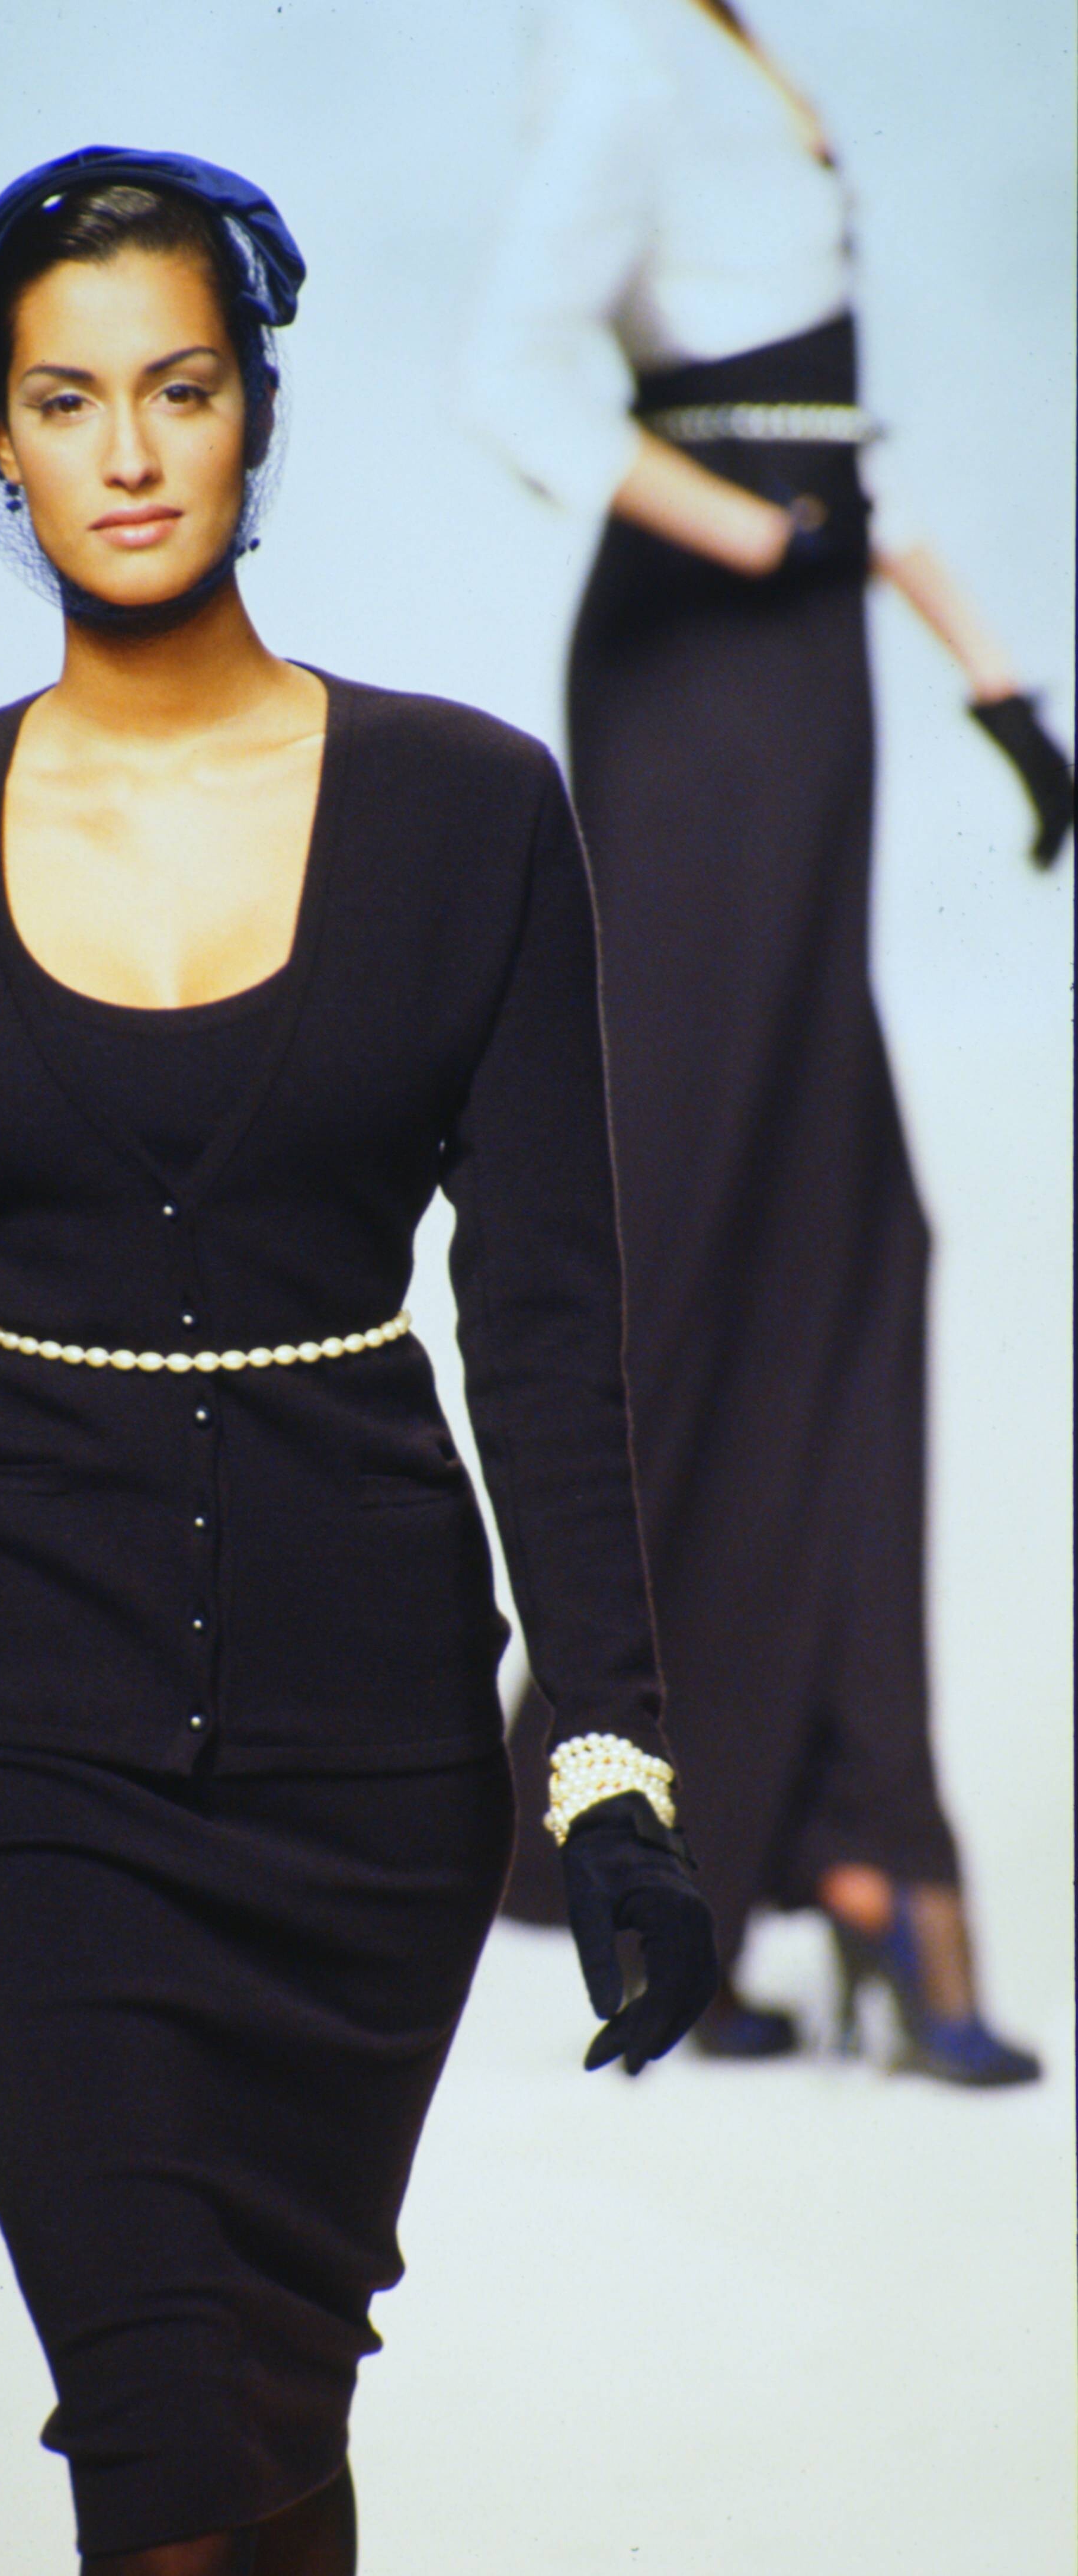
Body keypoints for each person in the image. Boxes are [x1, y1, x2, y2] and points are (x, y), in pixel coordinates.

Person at [0, 150, 718, 2576]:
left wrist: (609, 1767)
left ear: (257, 408)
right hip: (14, 1737)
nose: (131, 454)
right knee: (167, 2423)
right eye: (67, 402)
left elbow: (547, 1315)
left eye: (178, 388)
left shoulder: (472, 813)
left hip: (369, 1762)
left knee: (265, 2401)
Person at [463, 0, 1067, 2080]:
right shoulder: (625, 56)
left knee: (852, 1235)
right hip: (706, 690)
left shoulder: (722, 45)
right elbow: (511, 373)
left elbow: (833, 434)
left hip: (803, 681)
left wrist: (998, 687)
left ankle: (857, 1840)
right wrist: (747, 535)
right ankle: (687, 1837)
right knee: (699, 1227)